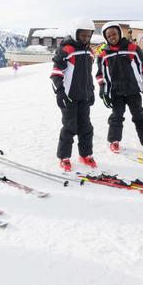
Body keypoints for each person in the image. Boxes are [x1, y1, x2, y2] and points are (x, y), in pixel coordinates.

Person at [96, 22, 143, 156]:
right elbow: (101, 74)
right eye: (109, 36)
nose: (112, 37)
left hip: (133, 90)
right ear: (106, 38)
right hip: (116, 92)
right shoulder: (104, 54)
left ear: (119, 33)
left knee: (139, 116)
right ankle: (114, 141)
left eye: (114, 34)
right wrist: (103, 90)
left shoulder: (132, 48)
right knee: (116, 117)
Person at [50, 18, 97, 172]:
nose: (85, 38)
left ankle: (85, 154)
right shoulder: (67, 50)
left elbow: (88, 75)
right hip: (69, 97)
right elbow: (56, 73)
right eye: (82, 35)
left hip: (84, 96)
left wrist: (91, 91)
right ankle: (64, 157)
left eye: (88, 35)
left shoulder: (89, 52)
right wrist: (60, 92)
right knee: (70, 127)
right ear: (75, 33)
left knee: (86, 127)